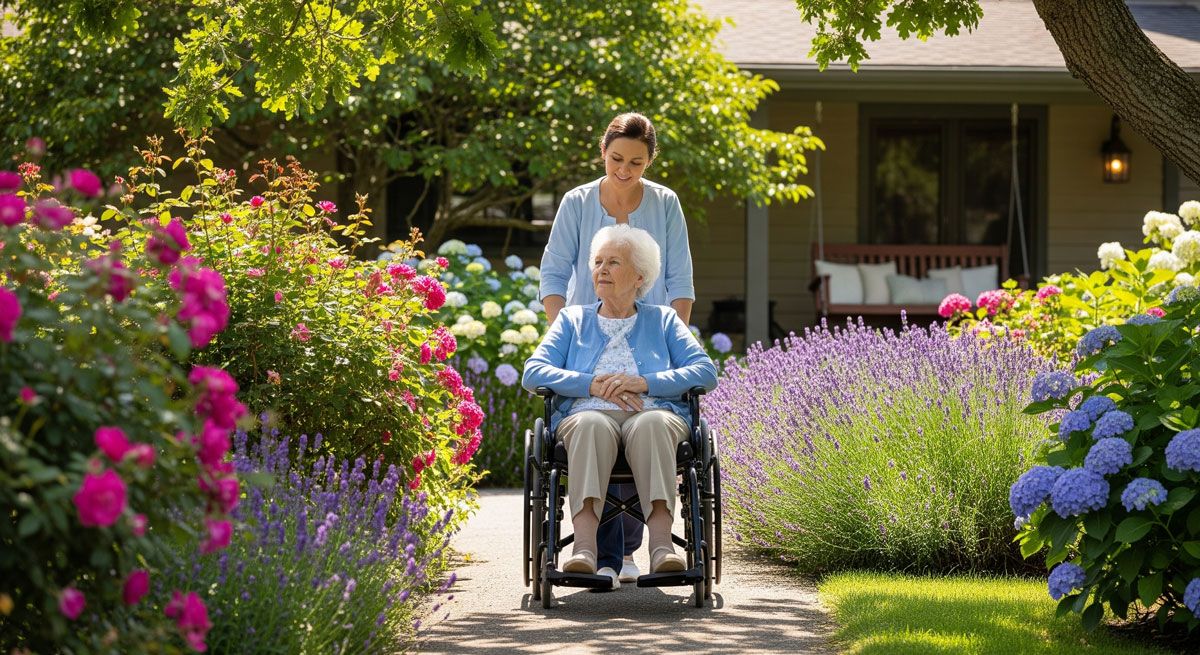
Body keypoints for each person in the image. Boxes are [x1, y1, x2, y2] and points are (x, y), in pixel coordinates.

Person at [539, 112, 696, 586]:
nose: (625, 170)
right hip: (588, 339)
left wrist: (662, 343)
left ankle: (628, 551)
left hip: (645, 339)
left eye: (637, 162)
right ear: (603, 152)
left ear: (650, 160)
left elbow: (680, 281)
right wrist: (571, 344)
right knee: (593, 421)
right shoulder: (578, 201)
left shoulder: (665, 203)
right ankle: (603, 554)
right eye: (616, 159)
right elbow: (553, 273)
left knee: (645, 422)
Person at [524, 225, 717, 582]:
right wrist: (590, 385)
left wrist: (645, 383)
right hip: (586, 415)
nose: (601, 269)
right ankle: (584, 550)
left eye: (613, 262)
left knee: (652, 424)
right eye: (598, 262)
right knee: (591, 424)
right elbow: (533, 373)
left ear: (639, 276)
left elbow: (705, 372)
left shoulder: (663, 320)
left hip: (655, 413)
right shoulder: (572, 320)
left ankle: (662, 549)